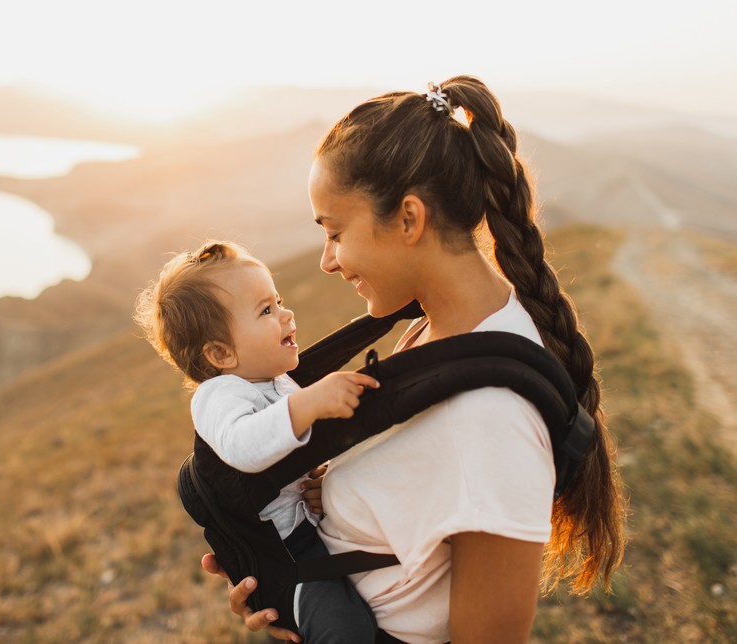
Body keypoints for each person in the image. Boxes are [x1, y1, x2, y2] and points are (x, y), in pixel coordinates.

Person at [202, 76, 627, 643]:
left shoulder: (492, 419)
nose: (327, 260)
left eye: (335, 231)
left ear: (409, 218)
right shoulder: (441, 328)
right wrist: (293, 590)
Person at [134, 240, 381, 643]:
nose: (287, 314)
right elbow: (244, 447)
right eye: (266, 310)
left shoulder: (274, 379)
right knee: (345, 629)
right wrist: (307, 404)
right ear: (220, 353)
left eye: (278, 300)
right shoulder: (218, 396)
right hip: (292, 559)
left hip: (317, 530)